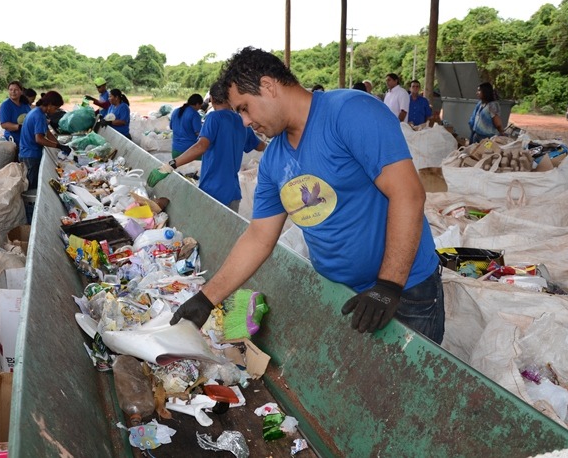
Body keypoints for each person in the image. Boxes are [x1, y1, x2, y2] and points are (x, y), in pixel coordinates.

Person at [169, 47, 444, 344]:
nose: (245, 122)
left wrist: (388, 285)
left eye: (244, 108)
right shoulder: (275, 159)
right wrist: (206, 299)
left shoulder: (349, 112)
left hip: (405, 293)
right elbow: (259, 236)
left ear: (268, 86)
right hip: (346, 296)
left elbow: (408, 195)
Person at [150, 81, 266, 212]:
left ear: (212, 98)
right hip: (233, 193)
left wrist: (170, 165)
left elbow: (201, 146)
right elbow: (260, 145)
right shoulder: (241, 121)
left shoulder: (214, 118)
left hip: (213, 191)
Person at [18, 91, 72, 190]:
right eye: (55, 108)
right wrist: (58, 146)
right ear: (49, 105)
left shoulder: (37, 112)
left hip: (27, 153)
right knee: (33, 186)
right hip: (31, 155)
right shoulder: (39, 116)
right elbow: (39, 139)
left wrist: (59, 145)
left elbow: (47, 133)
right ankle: (31, 206)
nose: (55, 111)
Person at [169, 94, 204, 158]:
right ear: (197, 104)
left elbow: (171, 127)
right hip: (189, 151)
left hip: (175, 151)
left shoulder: (175, 111)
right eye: (200, 106)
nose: (199, 108)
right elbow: (199, 133)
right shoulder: (194, 114)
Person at [0, 81, 31, 149]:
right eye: (11, 90)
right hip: (13, 141)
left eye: (16, 90)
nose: (13, 92)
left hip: (26, 139)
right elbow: (4, 124)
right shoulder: (6, 105)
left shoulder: (25, 104)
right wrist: (21, 127)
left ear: (21, 91)